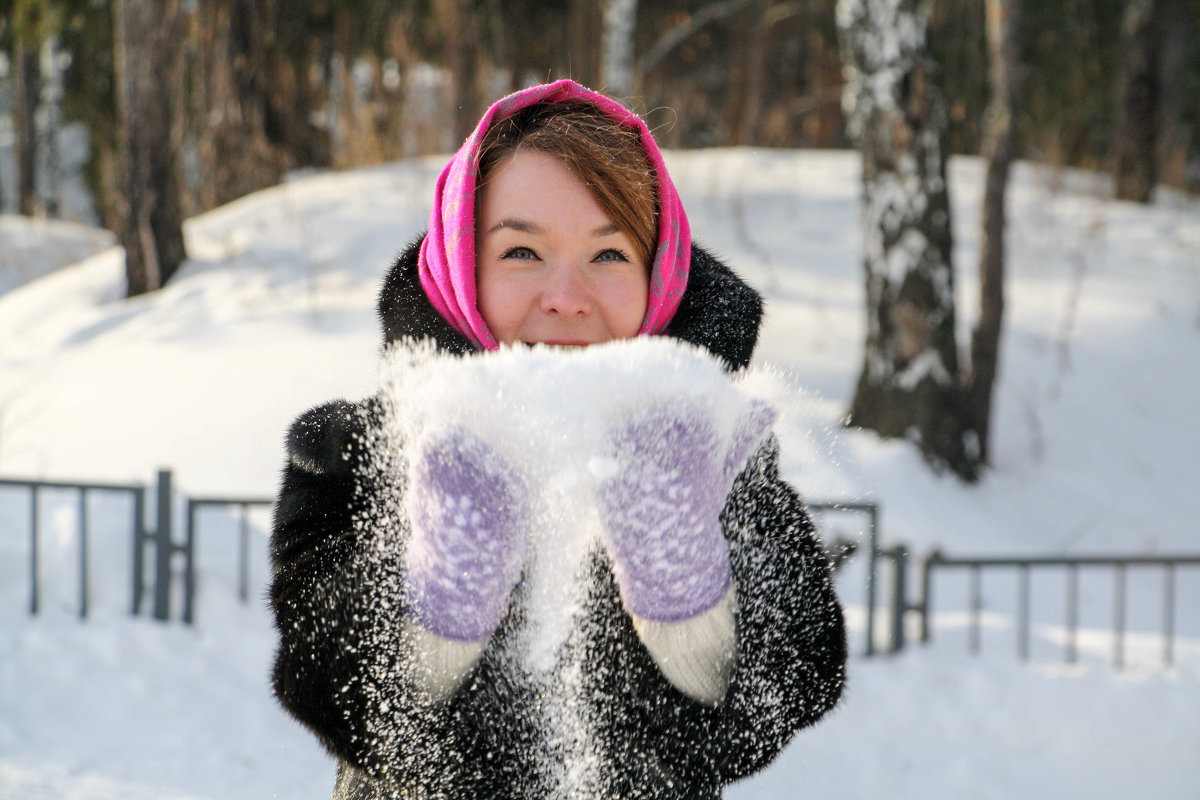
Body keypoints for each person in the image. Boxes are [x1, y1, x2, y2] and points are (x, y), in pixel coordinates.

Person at [269, 79, 846, 800]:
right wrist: (444, 591)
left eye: (608, 256)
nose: (567, 298)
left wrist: (681, 581)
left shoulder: (709, 458)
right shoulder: (360, 450)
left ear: (659, 275)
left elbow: (780, 692)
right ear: (460, 266)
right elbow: (335, 689)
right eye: (520, 253)